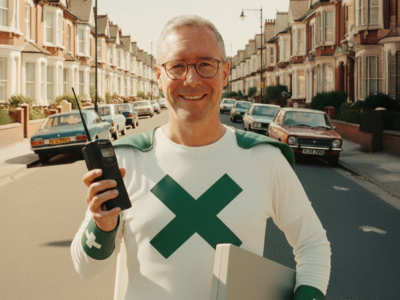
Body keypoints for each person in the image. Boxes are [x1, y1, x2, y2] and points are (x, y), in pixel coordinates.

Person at [71, 15, 331, 300]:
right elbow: (86, 269)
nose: (192, 80)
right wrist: (104, 226)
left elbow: (312, 243)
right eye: (177, 66)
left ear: (225, 72)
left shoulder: (265, 160)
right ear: (159, 75)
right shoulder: (124, 161)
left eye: (205, 65)